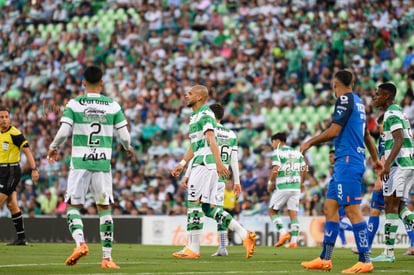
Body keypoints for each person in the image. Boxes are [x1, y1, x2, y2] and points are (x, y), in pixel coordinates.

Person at [46, 66, 133, 269]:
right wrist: (128, 148)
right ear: (102, 83)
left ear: (83, 82)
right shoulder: (113, 105)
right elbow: (125, 136)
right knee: (104, 208)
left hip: (79, 162)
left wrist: (53, 147)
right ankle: (107, 258)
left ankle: (80, 243)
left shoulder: (74, 104)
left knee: (73, 206)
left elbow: (63, 132)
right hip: (102, 163)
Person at [300, 70, 383, 273]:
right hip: (344, 162)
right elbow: (366, 134)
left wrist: (310, 141)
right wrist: (375, 158)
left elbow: (335, 130)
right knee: (330, 208)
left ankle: (365, 260)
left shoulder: (344, 99)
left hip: (348, 161)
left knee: (352, 211)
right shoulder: (359, 102)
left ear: (334, 84)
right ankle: (325, 259)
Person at [170, 85, 256, 259]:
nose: (186, 95)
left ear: (200, 97)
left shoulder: (205, 114)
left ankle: (193, 248)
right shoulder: (194, 117)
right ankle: (244, 234)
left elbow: (211, 138)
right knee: (208, 209)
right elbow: (195, 145)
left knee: (193, 204)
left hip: (205, 164)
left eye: (190, 93)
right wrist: (182, 163)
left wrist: (218, 163)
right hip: (201, 163)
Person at [352, 114, 414, 255]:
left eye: (380, 127)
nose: (379, 130)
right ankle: (413, 243)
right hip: (403, 170)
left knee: (377, 210)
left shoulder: (386, 135)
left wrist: (380, 179)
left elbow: (384, 157)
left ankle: (366, 246)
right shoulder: (397, 132)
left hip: (389, 175)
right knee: (400, 208)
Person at [370, 82, 414, 262]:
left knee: (390, 205)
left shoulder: (392, 113)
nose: (375, 97)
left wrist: (387, 163)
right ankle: (388, 252)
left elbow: (398, 139)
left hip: (399, 164)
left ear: (387, 96)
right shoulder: (397, 112)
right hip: (406, 163)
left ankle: (388, 253)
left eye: (378, 94)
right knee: (400, 205)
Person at [0, 106, 39, 246]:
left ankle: (22, 239)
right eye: (1, 117)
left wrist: (34, 169)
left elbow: (27, 151)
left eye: (6, 117)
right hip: (1, 171)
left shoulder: (15, 133)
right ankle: (21, 239)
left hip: (12, 171)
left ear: (9, 118)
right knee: (12, 205)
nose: (4, 120)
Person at [268, 132, 306, 248]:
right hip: (295, 187)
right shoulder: (296, 152)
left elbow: (276, 168)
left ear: (277, 141)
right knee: (293, 214)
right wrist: (302, 182)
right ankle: (294, 241)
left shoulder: (278, 152)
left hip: (283, 186)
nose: (273, 145)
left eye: (273, 142)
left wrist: (270, 182)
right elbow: (304, 168)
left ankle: (283, 233)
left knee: (272, 211)